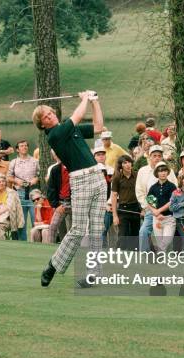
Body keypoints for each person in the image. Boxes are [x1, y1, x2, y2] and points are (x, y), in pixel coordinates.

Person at [32, 90, 107, 287]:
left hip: (97, 177)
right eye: (46, 116)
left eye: (50, 112)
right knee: (78, 229)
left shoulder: (69, 128)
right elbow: (77, 116)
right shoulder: (55, 135)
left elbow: (99, 126)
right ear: (42, 125)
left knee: (97, 229)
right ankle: (52, 265)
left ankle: (94, 275)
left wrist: (94, 102)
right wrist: (84, 99)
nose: (51, 115)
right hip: (80, 181)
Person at [136, 145, 178, 252]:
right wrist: (152, 210)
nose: (157, 158)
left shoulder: (169, 172)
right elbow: (140, 192)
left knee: (166, 238)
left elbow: (175, 192)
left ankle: (162, 256)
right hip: (151, 211)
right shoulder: (143, 171)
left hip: (168, 211)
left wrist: (161, 210)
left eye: (159, 155)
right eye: (154, 155)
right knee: (143, 232)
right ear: (149, 157)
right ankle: (144, 256)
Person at [7, 140, 39, 241]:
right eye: (21, 146)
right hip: (20, 194)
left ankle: (38, 243)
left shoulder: (35, 161)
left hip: (33, 194)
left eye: (26, 146)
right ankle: (23, 243)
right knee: (22, 222)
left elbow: (39, 174)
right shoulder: (14, 162)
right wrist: (16, 180)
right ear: (17, 149)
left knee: (36, 220)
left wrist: (36, 179)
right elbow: (8, 176)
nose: (24, 147)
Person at [111, 155, 140, 250]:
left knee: (135, 237)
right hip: (123, 209)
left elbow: (143, 192)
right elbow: (114, 196)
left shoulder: (137, 176)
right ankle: (117, 255)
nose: (127, 165)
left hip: (136, 208)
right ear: (121, 165)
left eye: (129, 162)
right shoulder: (117, 178)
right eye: (124, 163)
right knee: (123, 236)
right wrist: (115, 216)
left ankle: (133, 260)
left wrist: (143, 209)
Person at [147, 162, 177, 251]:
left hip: (169, 218)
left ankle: (155, 252)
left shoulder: (172, 186)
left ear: (167, 172)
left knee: (166, 241)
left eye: (164, 171)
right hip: (157, 219)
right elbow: (150, 202)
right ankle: (161, 262)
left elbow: (172, 201)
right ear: (157, 173)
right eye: (160, 171)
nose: (163, 173)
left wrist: (159, 210)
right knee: (160, 243)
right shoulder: (153, 187)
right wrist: (156, 213)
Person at [0, 175, 24, 240]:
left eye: (3, 181)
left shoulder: (11, 192)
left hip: (8, 218)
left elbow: (8, 207)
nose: (1, 183)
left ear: (6, 182)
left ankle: (0, 246)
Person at [46, 151, 72, 244]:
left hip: (76, 203)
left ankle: (73, 250)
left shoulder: (76, 169)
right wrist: (56, 205)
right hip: (61, 203)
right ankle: (49, 249)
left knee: (73, 230)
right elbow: (50, 189)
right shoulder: (55, 169)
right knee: (53, 226)